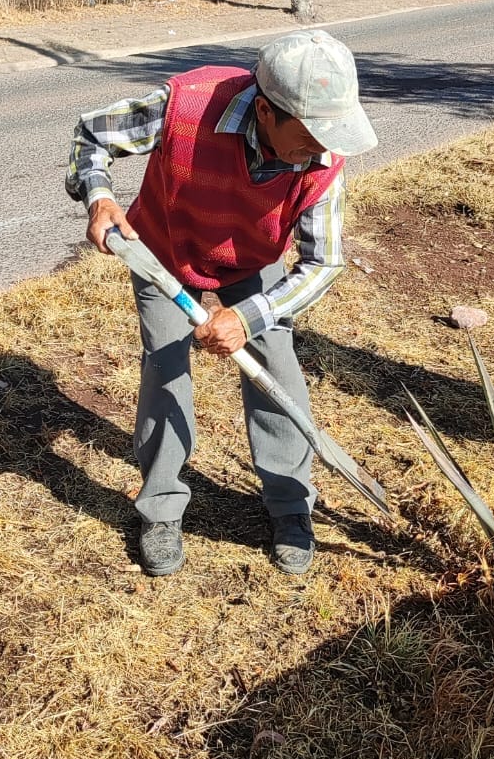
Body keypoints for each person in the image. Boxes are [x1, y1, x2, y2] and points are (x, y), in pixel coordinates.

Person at [66, 29, 377, 577]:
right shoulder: (185, 105)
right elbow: (93, 135)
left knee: (275, 370)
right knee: (165, 369)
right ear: (265, 111)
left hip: (252, 261)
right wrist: (100, 197)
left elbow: (323, 262)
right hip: (161, 250)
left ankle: (290, 506)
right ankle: (160, 508)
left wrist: (247, 316)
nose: (321, 149)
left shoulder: (325, 161)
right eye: (309, 136)